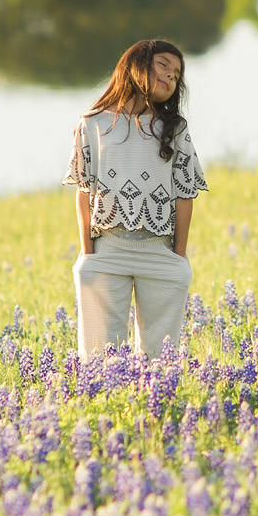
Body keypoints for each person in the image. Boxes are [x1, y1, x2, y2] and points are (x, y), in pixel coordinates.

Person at [69, 38, 206, 376]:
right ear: (136, 64)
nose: (171, 77)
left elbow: (184, 195)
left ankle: (155, 423)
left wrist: (179, 255)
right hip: (108, 249)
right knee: (99, 364)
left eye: (177, 75)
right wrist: (88, 253)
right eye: (164, 65)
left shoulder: (174, 130)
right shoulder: (94, 124)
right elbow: (84, 191)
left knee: (162, 366)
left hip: (159, 251)